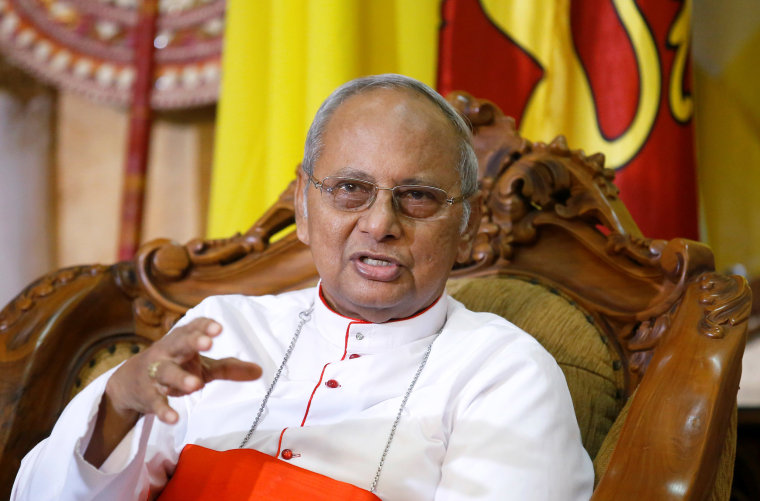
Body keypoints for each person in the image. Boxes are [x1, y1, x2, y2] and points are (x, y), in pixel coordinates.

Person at [12, 74, 594, 500]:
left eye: (417, 196)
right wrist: (118, 406)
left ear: (464, 227)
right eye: (350, 189)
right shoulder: (221, 330)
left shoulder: (505, 377)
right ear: (304, 207)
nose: (380, 223)